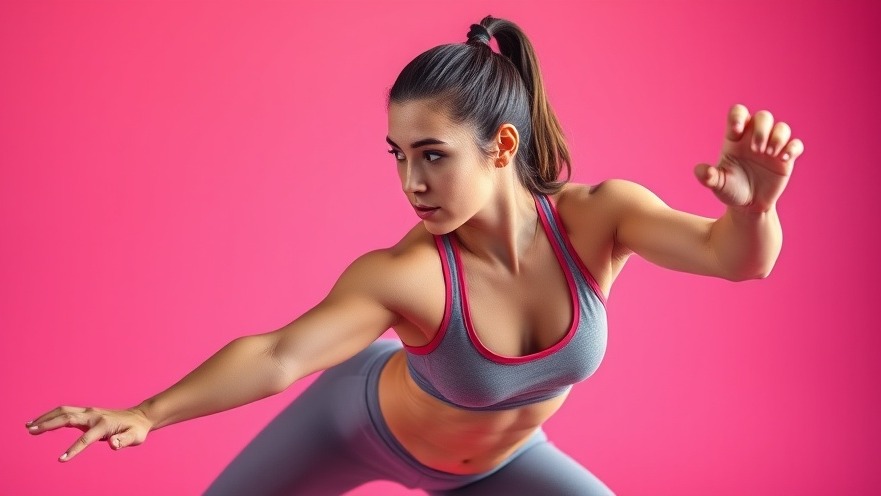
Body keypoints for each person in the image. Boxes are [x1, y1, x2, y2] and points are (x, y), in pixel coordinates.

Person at [25, 15, 803, 495]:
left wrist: (757, 208)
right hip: (351, 425)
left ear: (501, 146)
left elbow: (738, 259)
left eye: (431, 155)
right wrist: (149, 413)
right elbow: (280, 354)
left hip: (499, 469)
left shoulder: (601, 219)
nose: (409, 181)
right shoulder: (408, 274)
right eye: (396, 155)